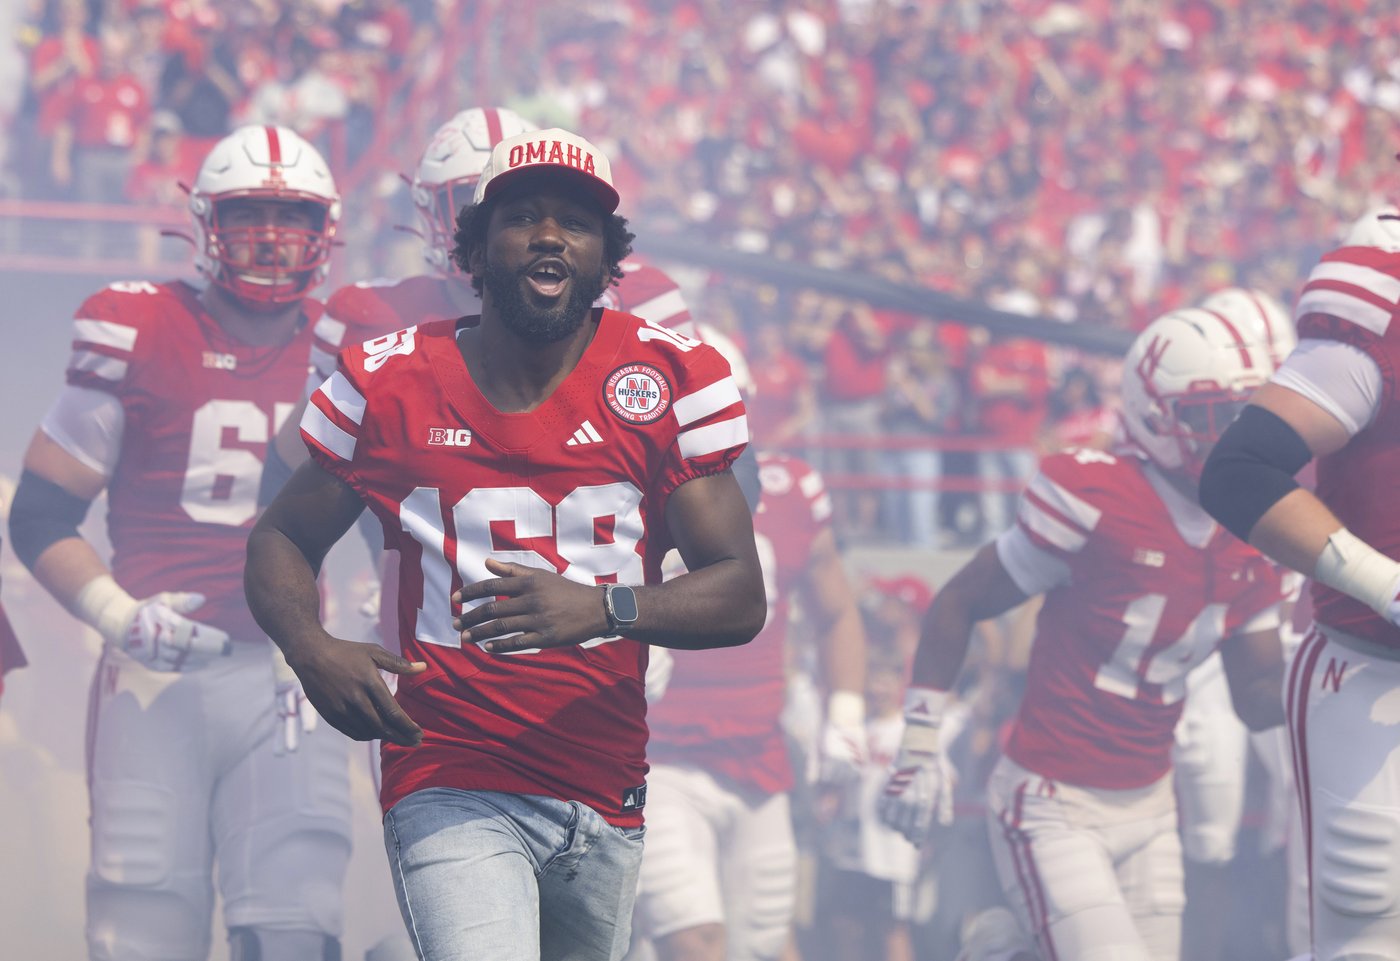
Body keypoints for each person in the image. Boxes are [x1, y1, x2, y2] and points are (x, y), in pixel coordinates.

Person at [244, 126, 767, 961]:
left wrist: (605, 607)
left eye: (575, 222)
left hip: (604, 775)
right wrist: (308, 645)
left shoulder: (668, 376)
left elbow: (741, 592)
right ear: (477, 252)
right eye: (522, 217)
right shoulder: (391, 377)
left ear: (607, 259)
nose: (550, 235)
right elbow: (279, 534)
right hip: (447, 766)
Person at [7, 124, 352, 961]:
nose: (271, 235)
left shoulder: (351, 349)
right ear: (203, 222)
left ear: (327, 228)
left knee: (294, 927)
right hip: (155, 672)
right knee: (141, 923)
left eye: (291, 214)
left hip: (289, 676)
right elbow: (40, 514)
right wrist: (117, 615)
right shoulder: (135, 326)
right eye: (250, 213)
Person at [878, 307, 1289, 961]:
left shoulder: (1257, 520)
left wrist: (1345, 659)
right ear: (1155, 414)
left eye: (1247, 412)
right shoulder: (1096, 498)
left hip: (1152, 803)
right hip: (1054, 799)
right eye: (1212, 415)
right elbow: (957, 601)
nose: (1234, 434)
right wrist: (919, 742)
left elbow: (1260, 696)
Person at [1199, 205, 1400, 961]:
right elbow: (1240, 470)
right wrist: (1385, 582)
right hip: (1376, 674)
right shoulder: (1380, 303)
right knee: (1367, 935)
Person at [637, 447, 868, 961]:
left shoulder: (793, 488)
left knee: (759, 946)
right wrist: (629, 640)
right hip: (661, 758)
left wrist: (846, 714)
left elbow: (835, 611)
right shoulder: (629, 470)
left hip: (759, 758)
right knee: (694, 940)